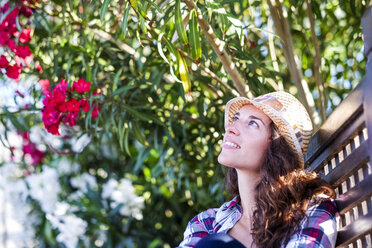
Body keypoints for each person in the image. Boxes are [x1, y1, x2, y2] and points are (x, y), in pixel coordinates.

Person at [177, 92, 338, 248]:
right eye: (236, 118)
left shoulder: (309, 210)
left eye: (253, 123)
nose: (231, 128)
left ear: (277, 149)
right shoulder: (207, 222)